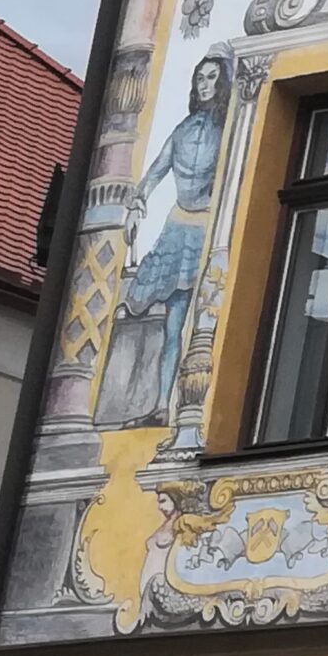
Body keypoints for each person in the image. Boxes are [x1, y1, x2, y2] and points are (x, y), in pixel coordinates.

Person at [95, 54, 232, 428]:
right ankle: (159, 404)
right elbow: (155, 171)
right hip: (176, 227)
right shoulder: (183, 130)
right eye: (200, 78)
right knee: (158, 315)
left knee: (186, 324)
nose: (205, 85)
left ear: (222, 85)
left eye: (212, 79)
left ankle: (179, 407)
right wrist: (138, 201)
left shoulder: (228, 130)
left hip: (204, 228)